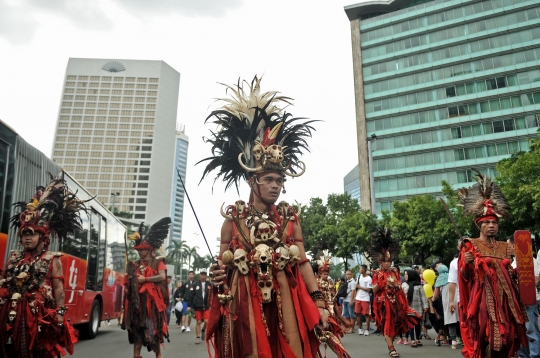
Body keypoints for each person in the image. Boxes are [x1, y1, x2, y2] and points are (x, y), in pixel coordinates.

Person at [202, 76, 346, 358]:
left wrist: (319, 303)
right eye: (269, 179)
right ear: (252, 181)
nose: (276, 185)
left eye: (280, 180)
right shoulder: (234, 218)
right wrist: (216, 273)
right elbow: (221, 265)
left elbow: (303, 263)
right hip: (243, 297)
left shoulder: (289, 217)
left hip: (285, 295)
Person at [0, 175, 80, 357]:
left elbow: (59, 288)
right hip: (10, 312)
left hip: (38, 317)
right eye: (24, 234)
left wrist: (60, 313)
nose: (27, 237)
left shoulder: (52, 259)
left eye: (32, 234)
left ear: (43, 237)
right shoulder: (14, 258)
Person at [457, 170, 527, 358]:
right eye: (486, 222)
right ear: (479, 225)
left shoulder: (507, 246)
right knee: (487, 339)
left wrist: (517, 269)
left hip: (507, 302)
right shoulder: (470, 245)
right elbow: (464, 277)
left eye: (494, 222)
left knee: (508, 339)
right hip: (483, 301)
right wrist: (467, 264)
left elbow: (515, 273)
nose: (491, 225)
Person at [122, 218, 171, 358]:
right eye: (139, 250)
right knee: (137, 340)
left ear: (149, 250)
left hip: (153, 310)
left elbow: (162, 277)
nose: (140, 252)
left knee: (154, 339)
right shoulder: (134, 264)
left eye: (142, 250)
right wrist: (128, 282)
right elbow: (129, 285)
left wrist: (146, 279)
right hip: (137, 309)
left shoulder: (158, 263)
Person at [370, 227, 420, 358]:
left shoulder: (395, 272)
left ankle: (390, 344)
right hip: (383, 303)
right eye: (384, 261)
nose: (387, 263)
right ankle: (391, 348)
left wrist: (396, 285)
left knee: (395, 324)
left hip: (396, 302)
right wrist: (382, 283)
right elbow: (374, 291)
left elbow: (399, 284)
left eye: (389, 261)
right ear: (380, 262)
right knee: (387, 324)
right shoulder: (376, 273)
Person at [508, 236, 540, 358]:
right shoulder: (514, 262)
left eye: (509, 245)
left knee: (531, 331)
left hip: (530, 300)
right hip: (518, 301)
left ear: (515, 246)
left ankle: (535, 355)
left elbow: (535, 279)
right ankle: (523, 355)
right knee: (521, 331)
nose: (508, 248)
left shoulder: (529, 259)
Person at [404, 270, 428, 348]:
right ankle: (412, 340)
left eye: (406, 274)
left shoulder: (419, 285)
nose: (405, 276)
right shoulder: (404, 285)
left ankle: (417, 338)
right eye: (405, 275)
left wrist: (425, 306)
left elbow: (423, 296)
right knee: (410, 324)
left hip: (418, 307)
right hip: (409, 307)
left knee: (418, 324)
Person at [186, 271, 211, 344]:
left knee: (206, 321)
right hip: (198, 306)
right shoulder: (195, 284)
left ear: (206, 276)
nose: (203, 276)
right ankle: (197, 337)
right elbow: (190, 296)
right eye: (202, 275)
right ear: (199, 275)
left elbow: (212, 295)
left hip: (206, 306)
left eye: (204, 275)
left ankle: (203, 330)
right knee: (199, 322)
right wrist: (189, 306)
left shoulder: (209, 285)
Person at [354, 264, 372, 336]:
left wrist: (360, 287)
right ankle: (360, 328)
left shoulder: (369, 278)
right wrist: (355, 297)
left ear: (364, 269)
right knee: (358, 313)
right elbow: (356, 287)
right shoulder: (359, 276)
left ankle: (367, 329)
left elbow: (369, 289)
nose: (359, 270)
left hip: (365, 298)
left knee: (366, 314)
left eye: (361, 269)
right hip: (358, 298)